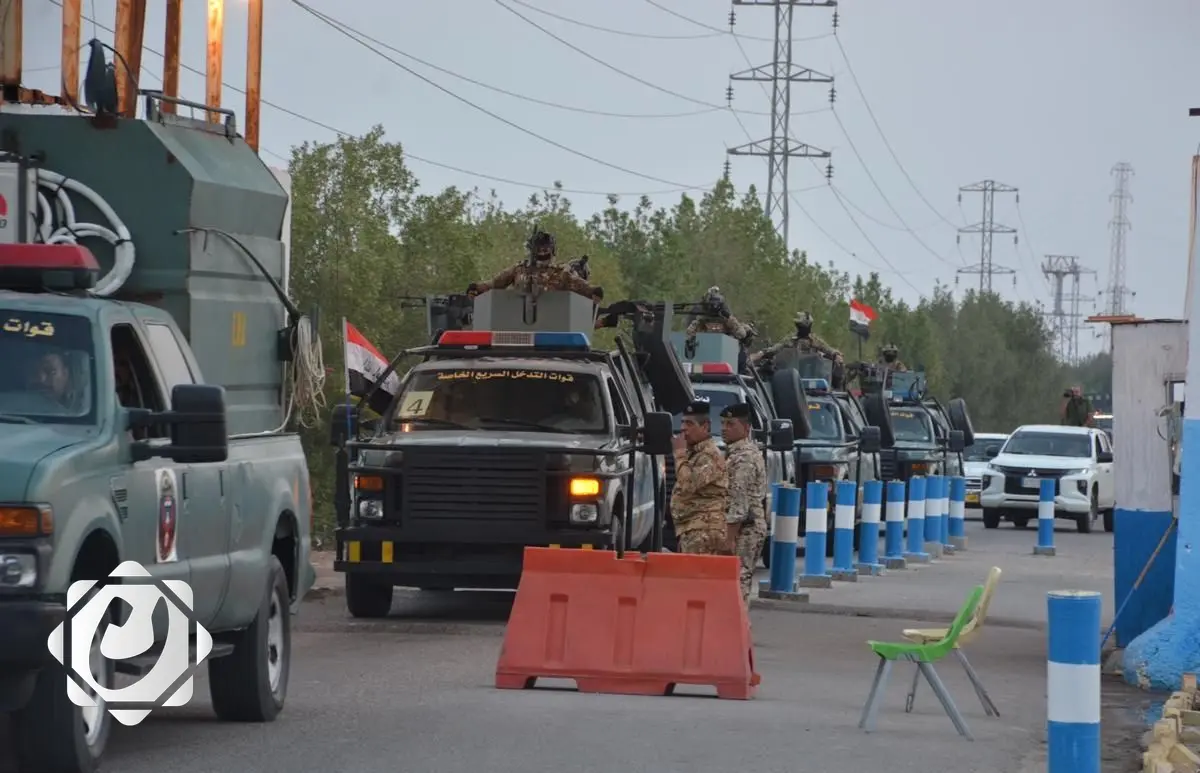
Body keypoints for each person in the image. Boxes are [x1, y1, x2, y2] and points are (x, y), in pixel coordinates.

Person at [467, 229, 603, 301]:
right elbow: (495, 283)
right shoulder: (519, 269)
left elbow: (579, 284)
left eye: (546, 249)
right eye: (539, 249)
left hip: (553, 322)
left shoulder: (561, 272)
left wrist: (593, 291)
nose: (542, 252)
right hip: (516, 320)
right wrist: (477, 288)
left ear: (552, 250)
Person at [721, 402, 767, 606]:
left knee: (738, 581)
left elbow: (739, 502)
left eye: (731, 424)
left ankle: (738, 621)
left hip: (745, 529)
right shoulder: (733, 453)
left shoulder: (745, 457)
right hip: (741, 526)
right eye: (723, 424)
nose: (724, 428)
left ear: (746, 428)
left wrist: (729, 538)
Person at [670, 399, 730, 555]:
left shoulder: (709, 455)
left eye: (689, 424)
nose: (683, 428)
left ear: (705, 426)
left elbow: (688, 485)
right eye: (683, 423)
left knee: (697, 571)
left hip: (704, 530)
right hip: (692, 528)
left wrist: (679, 455)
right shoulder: (695, 453)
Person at [749, 311, 842, 365]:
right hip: (791, 374)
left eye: (803, 325)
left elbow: (828, 349)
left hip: (811, 376)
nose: (801, 328)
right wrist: (760, 354)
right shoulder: (791, 338)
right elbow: (776, 348)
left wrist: (836, 355)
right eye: (799, 325)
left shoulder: (815, 340)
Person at [683, 286, 752, 343]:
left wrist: (730, 318)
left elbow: (742, 334)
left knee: (746, 329)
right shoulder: (702, 321)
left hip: (725, 351)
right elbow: (688, 334)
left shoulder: (728, 322)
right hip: (707, 349)